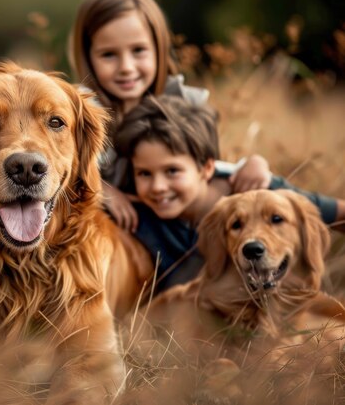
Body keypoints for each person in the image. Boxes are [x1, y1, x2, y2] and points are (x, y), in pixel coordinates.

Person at [68, 0, 271, 232]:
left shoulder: (184, 103)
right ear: (89, 57)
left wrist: (251, 165)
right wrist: (104, 189)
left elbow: (206, 169)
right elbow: (64, 173)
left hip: (185, 226)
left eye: (138, 51)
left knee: (258, 192)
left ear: (158, 48)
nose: (126, 67)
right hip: (121, 235)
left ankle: (328, 211)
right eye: (109, 55)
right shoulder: (82, 110)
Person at [114, 95, 345, 294]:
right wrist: (103, 191)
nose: (158, 187)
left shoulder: (260, 194)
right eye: (144, 173)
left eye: (172, 171)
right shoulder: (138, 212)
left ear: (206, 168)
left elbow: (340, 213)